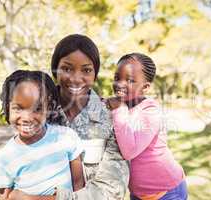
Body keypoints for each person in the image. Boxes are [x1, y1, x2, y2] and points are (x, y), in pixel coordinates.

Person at [9, 34, 129, 200]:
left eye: (86, 70)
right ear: (54, 71)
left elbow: (112, 189)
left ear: (95, 74)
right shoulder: (36, 113)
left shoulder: (111, 117)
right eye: (67, 68)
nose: (75, 78)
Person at [106, 53, 188, 200]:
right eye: (117, 78)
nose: (120, 84)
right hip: (137, 194)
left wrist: (118, 109)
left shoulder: (150, 111)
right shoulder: (118, 105)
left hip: (167, 192)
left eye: (130, 80)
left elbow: (129, 151)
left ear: (145, 87)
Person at [0, 70, 84, 199]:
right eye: (18, 108)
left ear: (49, 108)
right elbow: (5, 197)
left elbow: (79, 187)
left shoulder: (66, 137)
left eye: (37, 109)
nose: (27, 117)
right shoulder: (5, 157)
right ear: (7, 108)